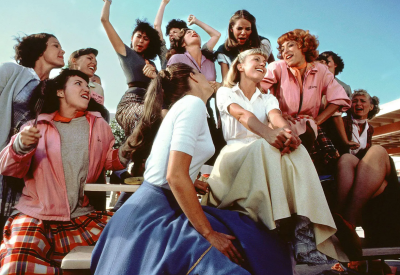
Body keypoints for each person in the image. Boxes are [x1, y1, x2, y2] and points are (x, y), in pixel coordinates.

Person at [91, 63, 293, 275]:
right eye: (201, 73)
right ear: (193, 78)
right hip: (155, 214)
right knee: (240, 248)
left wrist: (191, 180)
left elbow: (158, 164)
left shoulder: (186, 106)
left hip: (153, 205)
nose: (208, 78)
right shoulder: (192, 104)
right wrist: (208, 234)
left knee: (245, 232)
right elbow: (174, 175)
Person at [202, 48, 347, 264]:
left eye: (264, 60)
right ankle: (277, 227)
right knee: (265, 147)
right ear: (240, 66)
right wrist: (269, 134)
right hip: (234, 153)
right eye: (256, 59)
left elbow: (276, 117)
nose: (263, 63)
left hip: (263, 147)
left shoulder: (268, 97)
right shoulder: (226, 92)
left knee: (297, 150)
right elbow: (243, 115)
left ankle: (303, 232)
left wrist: (288, 134)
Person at [0, 69, 133, 273]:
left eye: (88, 85)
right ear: (60, 92)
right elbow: (8, 167)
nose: (86, 88)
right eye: (78, 83)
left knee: (139, 238)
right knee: (16, 266)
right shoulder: (36, 126)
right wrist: (20, 145)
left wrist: (127, 148)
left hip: (80, 217)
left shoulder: (100, 126)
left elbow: (109, 161)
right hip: (36, 217)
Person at [0, 33, 65, 231]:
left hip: (22, 169)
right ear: (40, 50)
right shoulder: (12, 71)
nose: (62, 51)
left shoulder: (50, 90)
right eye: (55, 45)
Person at [260, 29, 351, 164]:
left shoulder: (320, 70)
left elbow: (339, 98)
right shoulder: (277, 67)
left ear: (304, 46)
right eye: (282, 49)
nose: (285, 51)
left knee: (309, 142)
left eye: (290, 45)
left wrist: (317, 120)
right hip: (280, 124)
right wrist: (275, 114)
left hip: (308, 127)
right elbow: (257, 91)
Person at [334, 90, 400, 257]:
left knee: (377, 150)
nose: (358, 104)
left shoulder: (370, 128)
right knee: (346, 160)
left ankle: (348, 218)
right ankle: (343, 223)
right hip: (358, 171)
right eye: (354, 101)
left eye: (362, 101)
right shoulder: (342, 122)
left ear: (371, 106)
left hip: (377, 172)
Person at [100, 0, 162, 137]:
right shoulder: (126, 53)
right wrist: (108, 2)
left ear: (149, 43)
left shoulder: (152, 64)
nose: (141, 41)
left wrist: (154, 77)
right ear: (132, 38)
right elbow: (104, 20)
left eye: (145, 39)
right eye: (138, 36)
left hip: (150, 103)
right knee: (144, 124)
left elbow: (161, 88)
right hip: (131, 103)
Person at [167, 27, 225, 165]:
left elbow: (211, 89)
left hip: (206, 110)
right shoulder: (177, 58)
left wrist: (217, 87)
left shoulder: (210, 62)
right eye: (188, 32)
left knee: (214, 147)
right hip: (184, 107)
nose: (193, 32)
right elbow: (171, 85)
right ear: (182, 44)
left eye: (194, 32)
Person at [216, 10, 275, 80]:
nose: (243, 32)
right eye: (239, 28)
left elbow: (273, 69)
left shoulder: (262, 43)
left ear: (252, 30)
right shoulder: (224, 50)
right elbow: (226, 80)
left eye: (247, 29)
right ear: (231, 29)